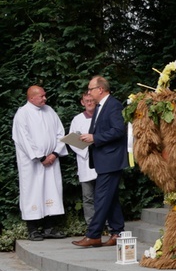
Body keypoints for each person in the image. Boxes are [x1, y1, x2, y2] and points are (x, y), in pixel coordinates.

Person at [72, 76, 127, 247]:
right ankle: (117, 232)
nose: (89, 92)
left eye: (90, 89)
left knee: (101, 197)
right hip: (104, 159)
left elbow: (119, 130)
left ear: (100, 89)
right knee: (110, 198)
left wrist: (95, 137)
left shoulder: (113, 105)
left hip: (111, 159)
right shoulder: (100, 107)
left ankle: (93, 234)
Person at [12, 86, 68, 241]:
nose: (45, 98)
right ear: (31, 98)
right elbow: (23, 139)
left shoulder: (49, 111)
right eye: (42, 96)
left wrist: (55, 153)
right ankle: (33, 229)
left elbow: (60, 133)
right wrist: (41, 157)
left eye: (45, 96)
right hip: (32, 164)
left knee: (51, 190)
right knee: (33, 192)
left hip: (51, 160)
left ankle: (49, 227)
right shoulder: (22, 114)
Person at [68, 92, 98, 226]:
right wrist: (86, 151)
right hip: (85, 162)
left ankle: (108, 224)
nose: (90, 103)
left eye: (92, 100)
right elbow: (72, 140)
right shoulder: (77, 119)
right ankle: (92, 225)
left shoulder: (101, 116)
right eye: (87, 101)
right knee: (88, 197)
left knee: (104, 196)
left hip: (100, 160)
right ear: (82, 102)